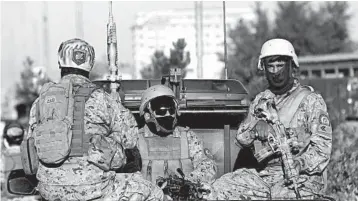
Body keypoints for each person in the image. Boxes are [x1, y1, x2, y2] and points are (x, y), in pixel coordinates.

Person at [23, 38, 164, 201]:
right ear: (90, 65)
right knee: (154, 192)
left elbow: (30, 146)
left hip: (49, 190)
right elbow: (130, 140)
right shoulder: (104, 99)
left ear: (60, 62)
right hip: (94, 189)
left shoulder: (40, 101)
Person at [205, 38, 332, 200]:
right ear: (263, 69)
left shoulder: (310, 100)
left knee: (284, 195)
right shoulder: (260, 100)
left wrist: (300, 163)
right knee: (219, 189)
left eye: (280, 65)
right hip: (265, 174)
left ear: (291, 66)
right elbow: (242, 139)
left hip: (303, 176)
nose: (275, 71)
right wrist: (256, 126)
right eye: (270, 66)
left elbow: (322, 150)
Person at [138, 84, 217, 185]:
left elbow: (207, 166)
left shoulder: (188, 137)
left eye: (171, 110)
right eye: (161, 111)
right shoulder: (136, 139)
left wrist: (188, 181)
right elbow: (127, 174)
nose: (168, 115)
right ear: (147, 115)